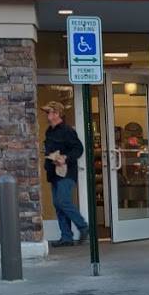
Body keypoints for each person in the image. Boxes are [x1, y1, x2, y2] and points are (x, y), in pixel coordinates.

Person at [42, 101, 88, 247]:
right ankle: (66, 237)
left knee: (63, 201)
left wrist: (65, 158)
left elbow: (78, 149)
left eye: (49, 112)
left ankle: (83, 226)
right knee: (58, 204)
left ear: (56, 114)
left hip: (66, 173)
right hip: (53, 172)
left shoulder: (67, 130)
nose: (47, 115)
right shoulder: (49, 131)